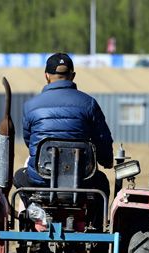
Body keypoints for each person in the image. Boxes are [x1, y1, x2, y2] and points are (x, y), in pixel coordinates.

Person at [15, 52, 113, 227]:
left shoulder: (30, 106)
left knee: (19, 177)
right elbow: (102, 139)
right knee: (102, 183)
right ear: (73, 76)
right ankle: (97, 237)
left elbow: (30, 142)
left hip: (41, 178)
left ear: (46, 76)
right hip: (83, 180)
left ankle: (34, 215)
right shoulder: (89, 103)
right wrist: (107, 160)